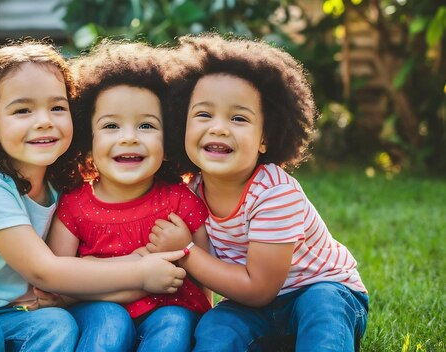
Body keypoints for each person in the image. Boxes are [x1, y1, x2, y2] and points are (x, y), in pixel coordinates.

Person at [0, 39, 188, 352]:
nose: (44, 120)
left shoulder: (61, 185)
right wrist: (138, 270)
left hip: (2, 314)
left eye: (57, 107)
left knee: (55, 325)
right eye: (23, 110)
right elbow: (44, 270)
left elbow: (59, 281)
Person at [146, 34, 369, 352]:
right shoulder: (190, 190)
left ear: (265, 138)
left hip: (320, 289)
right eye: (204, 115)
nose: (219, 128)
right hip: (253, 308)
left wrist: (186, 252)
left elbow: (259, 288)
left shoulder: (274, 194)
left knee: (323, 309)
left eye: (238, 118)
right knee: (215, 328)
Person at [45, 40, 212, 352]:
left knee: (175, 320)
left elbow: (204, 285)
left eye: (146, 125)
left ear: (170, 138)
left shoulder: (181, 203)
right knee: (110, 321)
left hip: (169, 312)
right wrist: (136, 277)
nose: (129, 138)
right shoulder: (75, 204)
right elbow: (59, 287)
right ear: (87, 138)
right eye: (111, 125)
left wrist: (95, 269)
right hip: (97, 311)